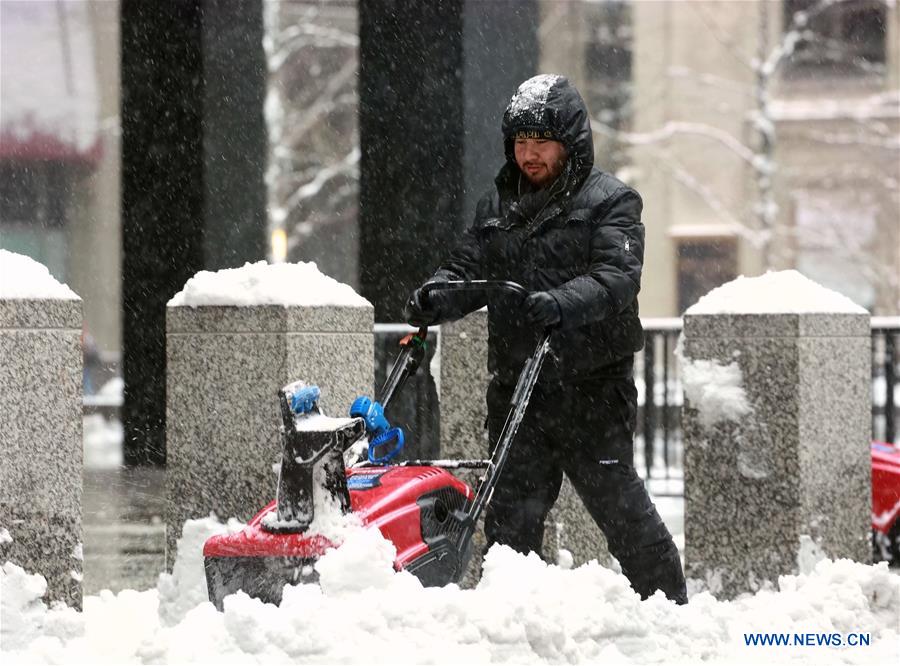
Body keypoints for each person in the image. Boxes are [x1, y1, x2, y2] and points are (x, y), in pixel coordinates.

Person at [404, 74, 688, 604]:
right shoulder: (496, 206)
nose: (529, 155)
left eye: (542, 143)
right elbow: (468, 268)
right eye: (521, 142)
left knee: (619, 508)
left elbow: (617, 276)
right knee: (512, 518)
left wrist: (561, 301)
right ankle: (512, 622)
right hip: (518, 388)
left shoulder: (612, 201)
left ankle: (672, 609)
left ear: (571, 145)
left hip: (592, 388)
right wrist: (435, 295)